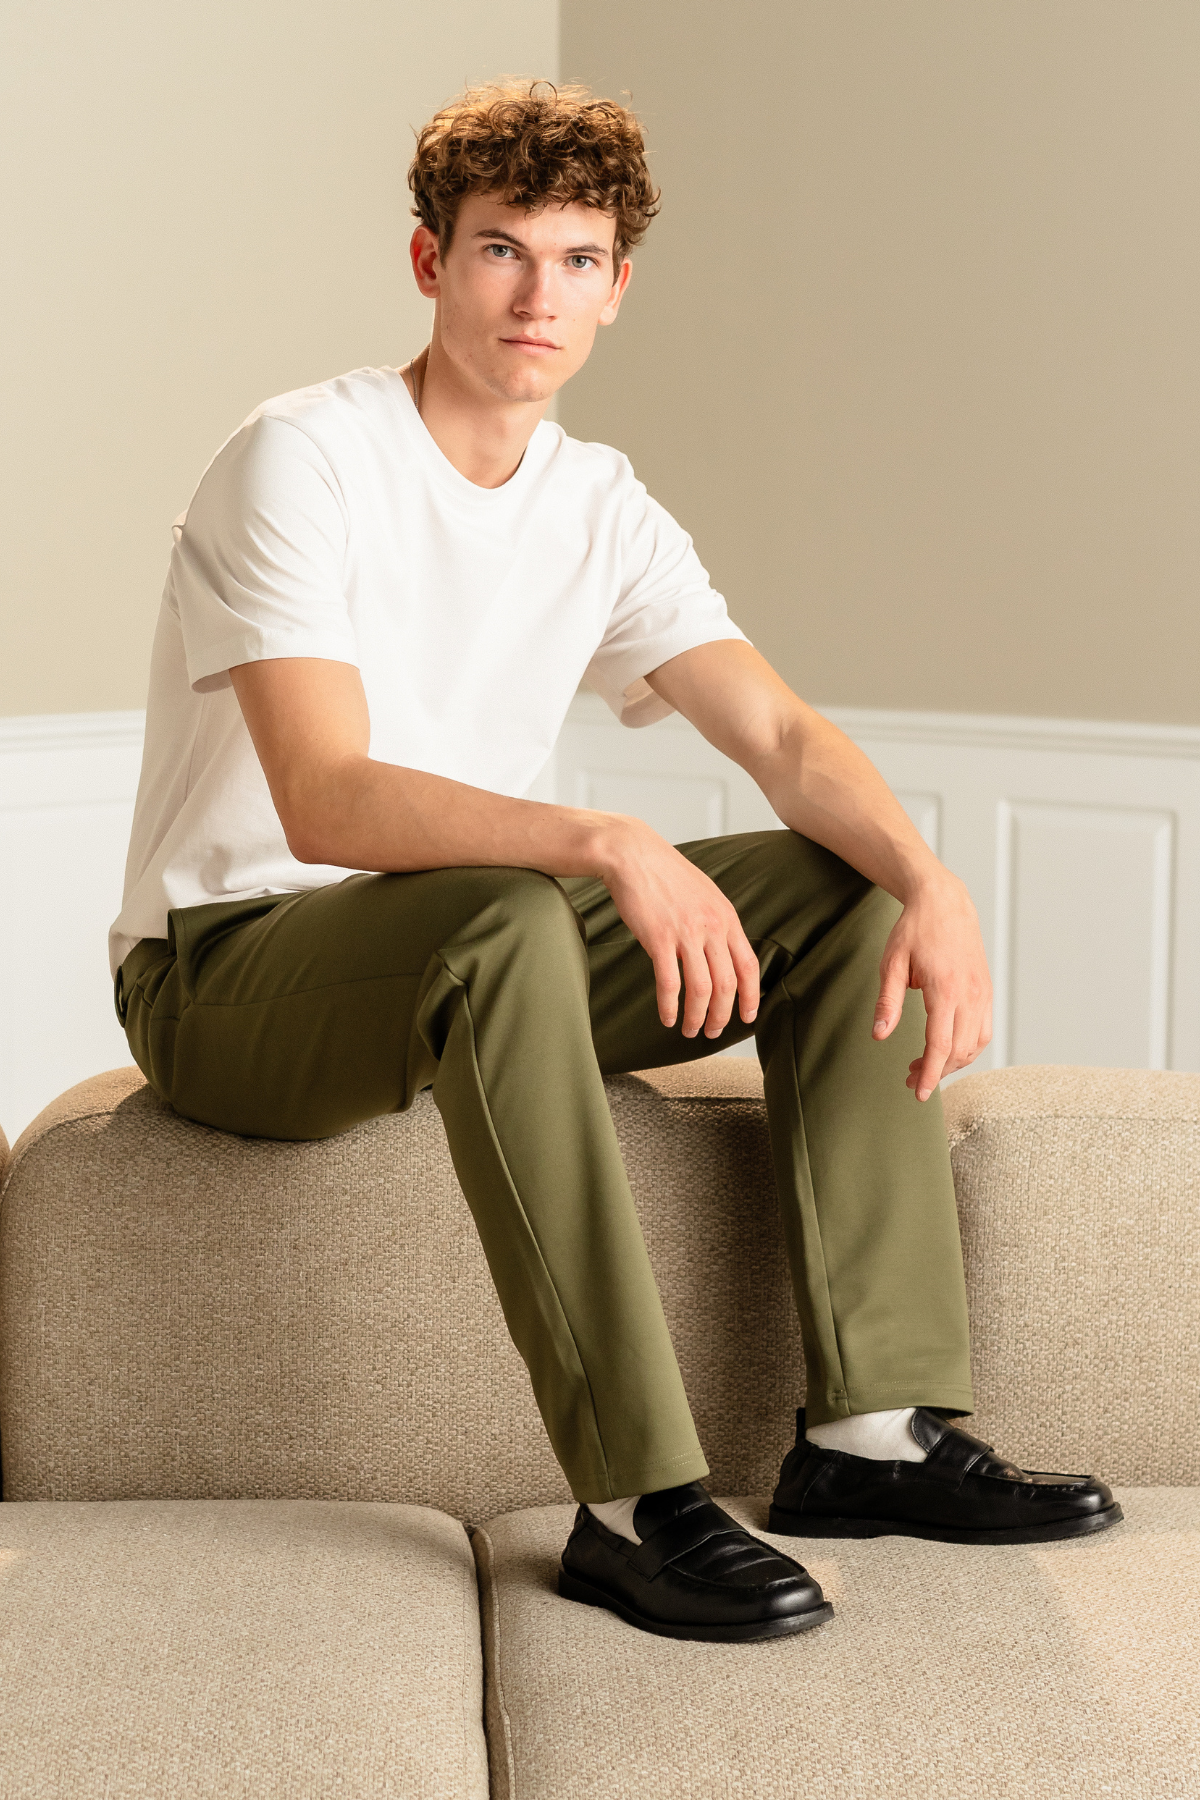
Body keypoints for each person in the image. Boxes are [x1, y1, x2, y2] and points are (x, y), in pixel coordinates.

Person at [111, 79, 1120, 1646]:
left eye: (576, 260)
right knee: (510, 921)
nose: (539, 294)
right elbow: (324, 798)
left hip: (466, 942)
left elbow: (778, 735)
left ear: (617, 288)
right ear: (429, 260)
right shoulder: (300, 458)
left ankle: (871, 1435)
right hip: (231, 969)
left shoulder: (598, 503)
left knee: (845, 892)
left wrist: (934, 883)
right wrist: (604, 839)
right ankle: (637, 1502)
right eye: (501, 250)